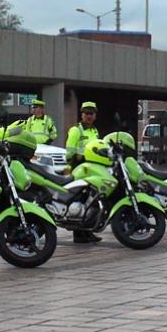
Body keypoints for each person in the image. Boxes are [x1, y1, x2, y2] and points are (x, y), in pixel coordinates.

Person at [65, 101, 102, 243]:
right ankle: (78, 234)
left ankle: (87, 231)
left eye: (91, 113)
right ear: (81, 114)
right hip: (79, 169)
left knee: (91, 202)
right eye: (86, 113)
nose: (89, 116)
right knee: (80, 201)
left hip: (92, 170)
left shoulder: (94, 131)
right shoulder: (76, 130)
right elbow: (69, 152)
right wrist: (74, 161)